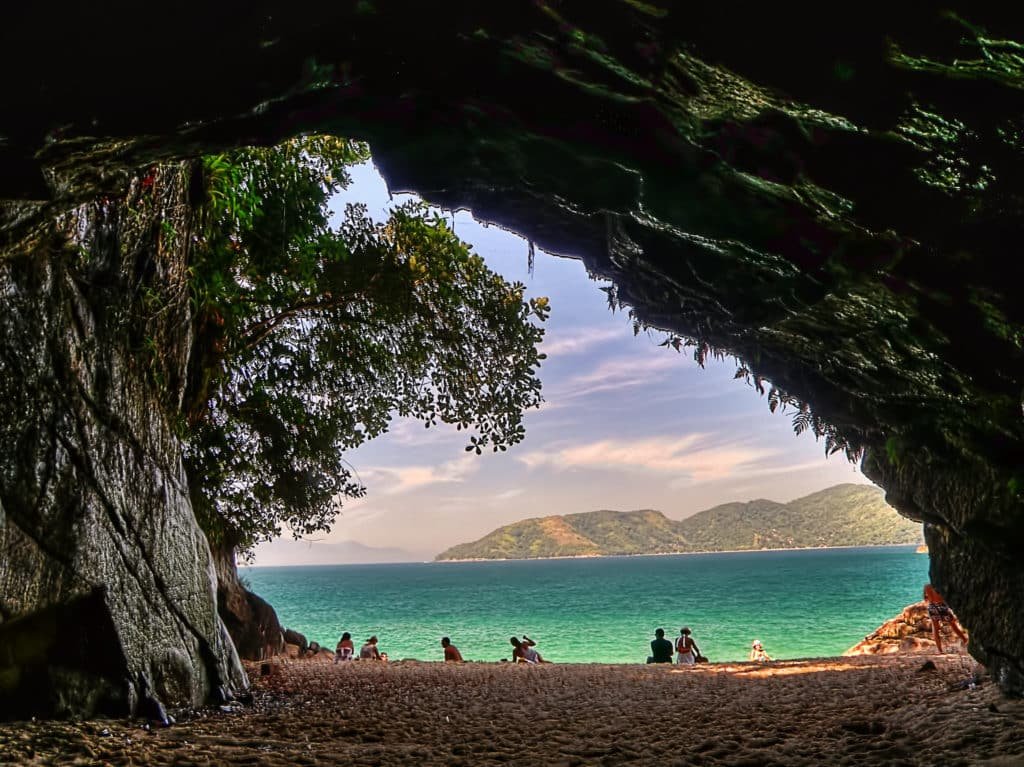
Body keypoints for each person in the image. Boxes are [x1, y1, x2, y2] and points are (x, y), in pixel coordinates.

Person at [924, 583, 968, 653]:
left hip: (931, 607)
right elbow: (943, 597)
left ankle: (940, 650)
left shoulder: (926, 586)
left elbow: (925, 598)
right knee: (953, 624)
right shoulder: (939, 585)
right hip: (942, 606)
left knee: (935, 628)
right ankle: (965, 640)